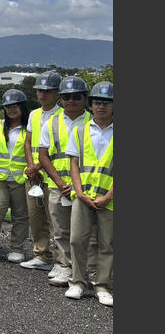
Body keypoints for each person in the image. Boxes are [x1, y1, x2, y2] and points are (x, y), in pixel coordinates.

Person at [38, 75, 92, 287]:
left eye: (76, 97)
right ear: (60, 99)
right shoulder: (51, 123)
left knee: (89, 232)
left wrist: (76, 186)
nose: (70, 101)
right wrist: (60, 182)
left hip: (86, 188)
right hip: (57, 186)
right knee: (61, 230)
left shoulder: (93, 122)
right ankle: (65, 266)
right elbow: (43, 155)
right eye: (66, 97)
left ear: (85, 98)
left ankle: (87, 270)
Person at [65, 81, 113, 307]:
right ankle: (77, 282)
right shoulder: (80, 130)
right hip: (83, 196)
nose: (101, 106)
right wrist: (79, 191)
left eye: (106, 102)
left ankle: (102, 285)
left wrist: (109, 196)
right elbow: (74, 163)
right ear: (91, 106)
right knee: (77, 240)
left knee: (107, 243)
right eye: (97, 102)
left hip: (110, 199)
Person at [0, 89, 31, 263]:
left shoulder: (29, 128)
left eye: (15, 106)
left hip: (21, 177)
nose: (11, 109)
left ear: (23, 107)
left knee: (21, 214)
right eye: (8, 106)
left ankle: (17, 248)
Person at [19, 71, 62, 271]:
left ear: (57, 93)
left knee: (57, 220)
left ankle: (62, 261)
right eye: (39, 91)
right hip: (34, 174)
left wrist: (38, 166)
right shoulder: (35, 114)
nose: (42, 95)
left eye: (48, 91)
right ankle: (41, 255)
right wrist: (31, 166)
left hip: (54, 175)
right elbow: (28, 143)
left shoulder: (63, 115)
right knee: (36, 217)